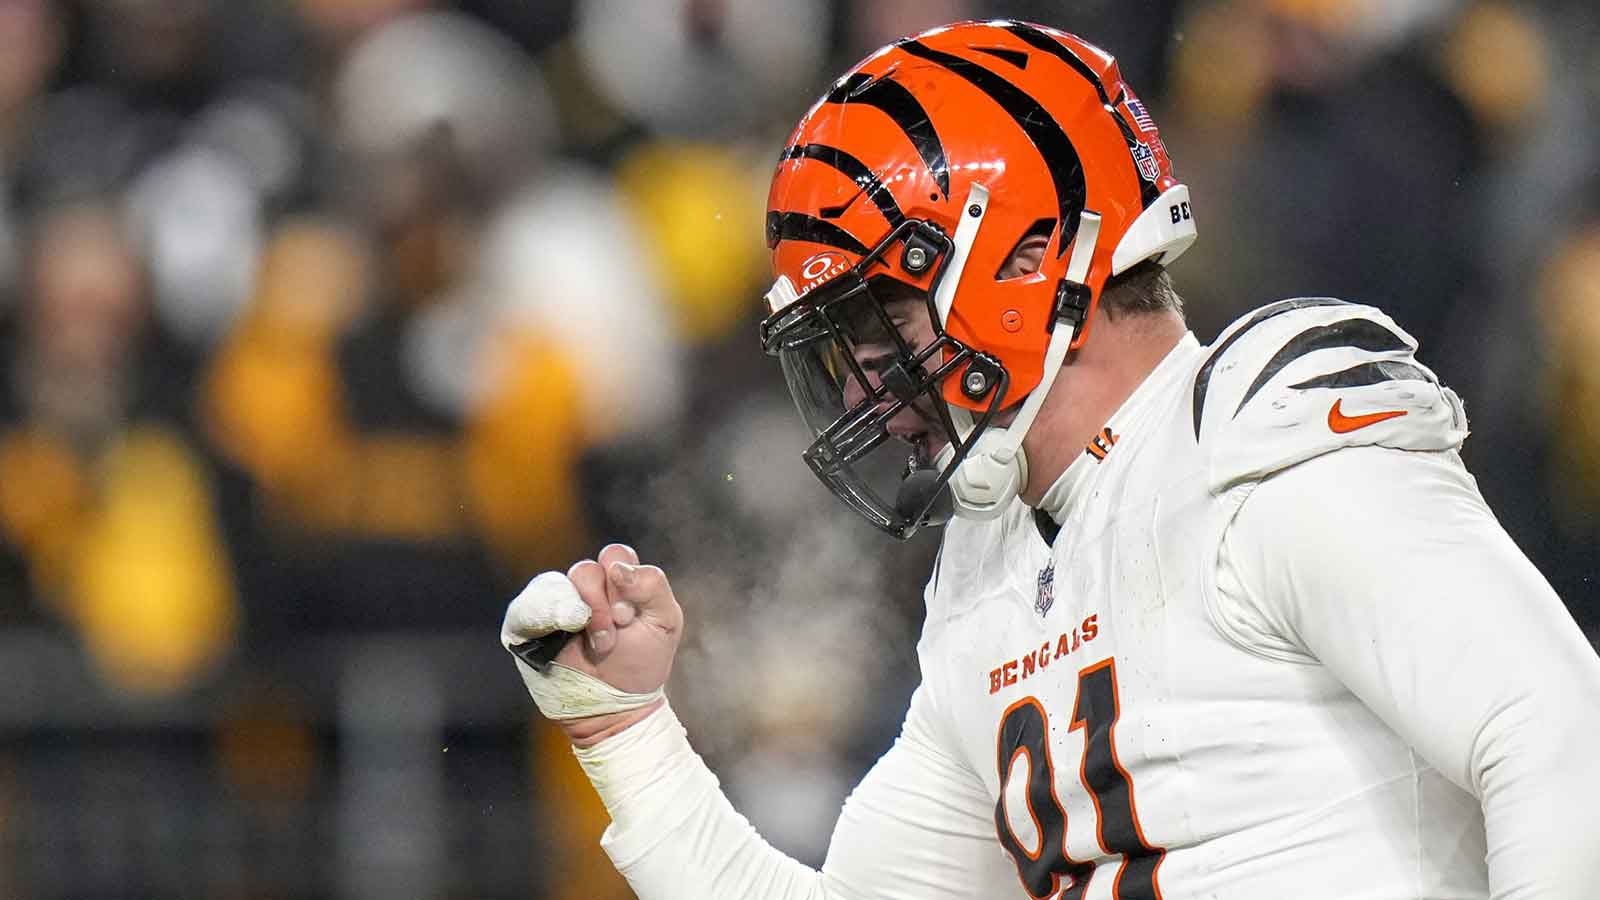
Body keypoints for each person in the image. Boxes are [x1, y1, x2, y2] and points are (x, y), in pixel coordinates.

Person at [500, 21, 1600, 898]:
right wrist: (624, 730)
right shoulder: (995, 562)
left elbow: (1557, 735)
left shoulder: (1257, 434)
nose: (858, 382)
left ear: (1030, 255)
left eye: (882, 319)